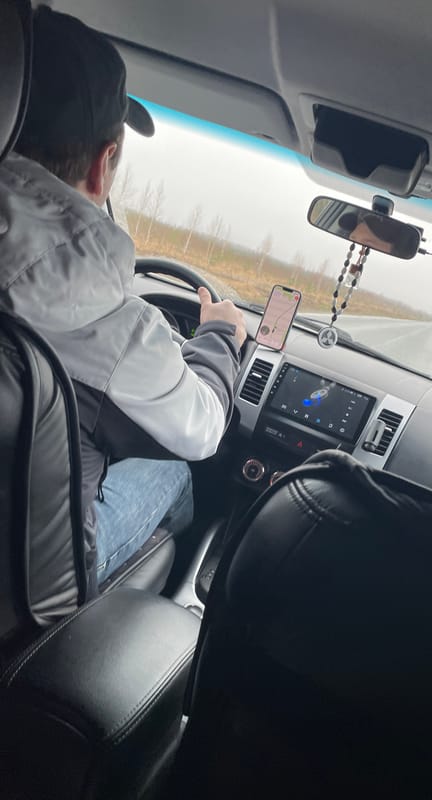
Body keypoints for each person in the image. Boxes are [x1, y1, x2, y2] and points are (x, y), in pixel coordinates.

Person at [0, 6, 247, 597]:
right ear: (103, 163)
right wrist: (219, 337)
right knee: (174, 469)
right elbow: (201, 428)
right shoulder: (104, 320)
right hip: (26, 590)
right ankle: (167, 601)